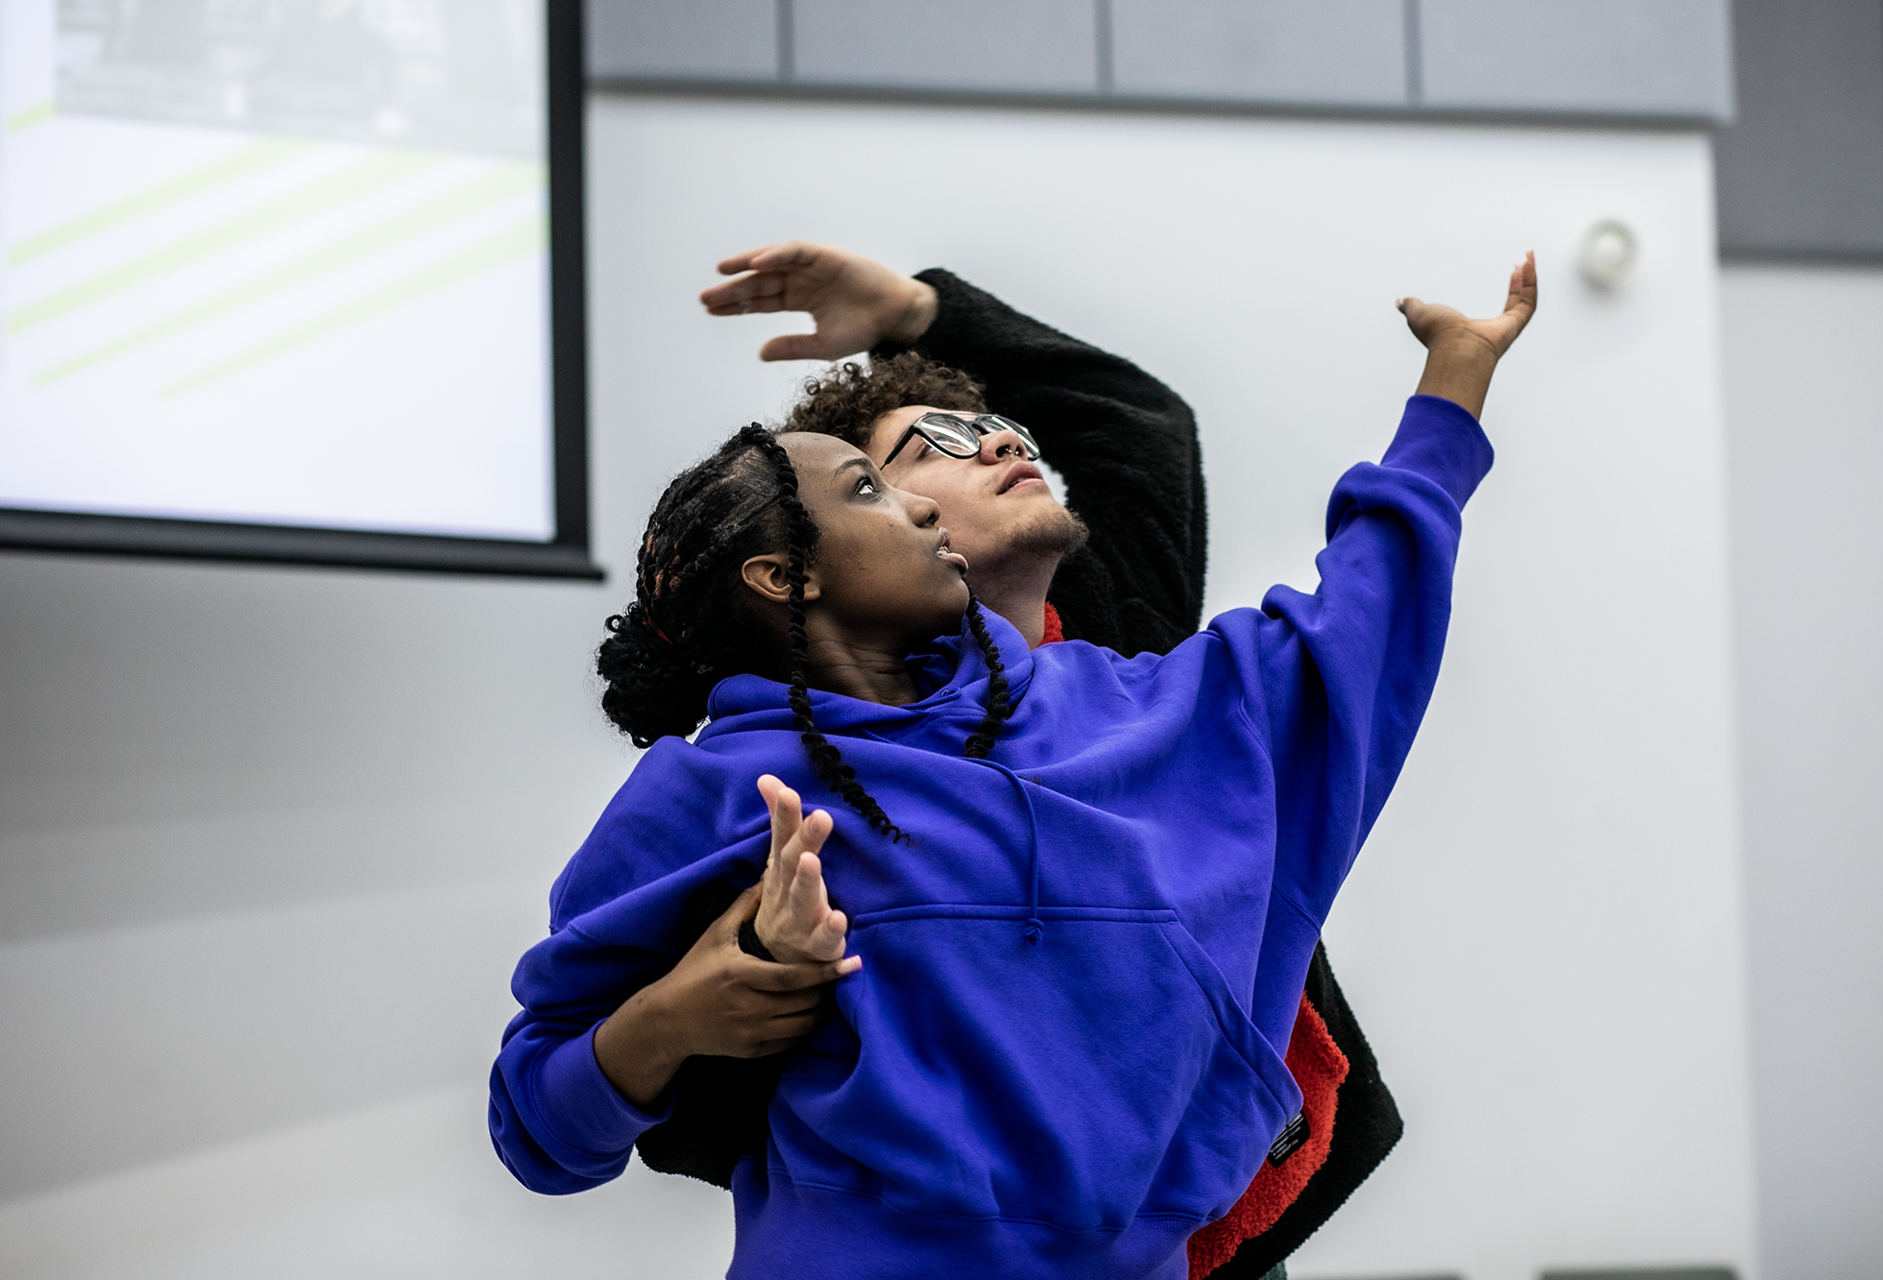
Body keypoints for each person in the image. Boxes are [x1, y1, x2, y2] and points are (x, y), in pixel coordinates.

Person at [488, 258, 1535, 1279]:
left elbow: (1348, 629)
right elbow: (539, 1118)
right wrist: (680, 1013)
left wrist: (1451, 393)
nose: (930, 505)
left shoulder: (1127, 701)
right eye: (878, 485)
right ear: (787, 572)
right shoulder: (719, 786)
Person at [673, 244, 1394, 1276]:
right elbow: (684, 1103)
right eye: (937, 445)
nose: (1003, 439)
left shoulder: (1115, 630)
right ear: (840, 540)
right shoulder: (801, 763)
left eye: (997, 427)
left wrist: (917, 310)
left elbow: (1138, 423)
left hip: (1214, 1206)